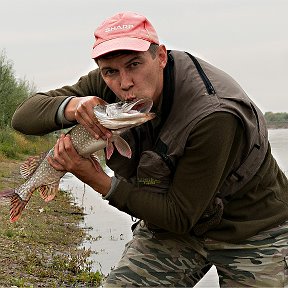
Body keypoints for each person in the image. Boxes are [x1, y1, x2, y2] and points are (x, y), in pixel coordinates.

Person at [12, 11, 288, 287]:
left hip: (252, 230)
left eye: (134, 64)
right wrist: (72, 106)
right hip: (172, 228)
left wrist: (97, 179)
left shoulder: (213, 114)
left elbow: (179, 214)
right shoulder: (110, 83)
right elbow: (24, 117)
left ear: (161, 57)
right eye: (110, 71)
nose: (125, 83)